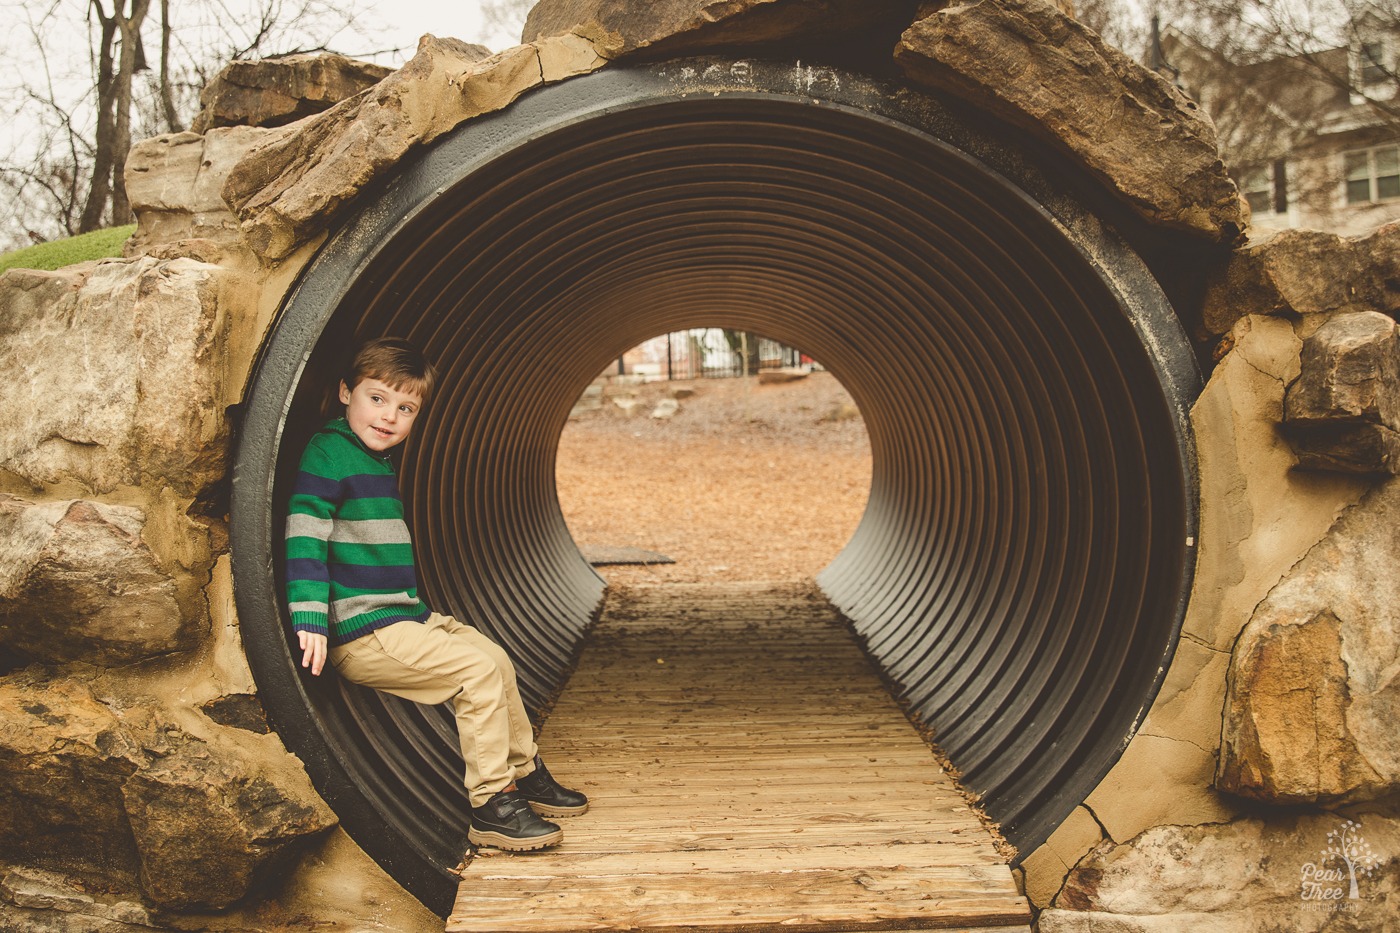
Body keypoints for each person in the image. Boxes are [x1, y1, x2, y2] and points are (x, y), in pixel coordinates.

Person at [284, 336, 586, 852]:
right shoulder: (330, 450)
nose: (389, 417)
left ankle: (524, 769)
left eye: (405, 408)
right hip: (366, 630)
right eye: (376, 398)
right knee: (477, 672)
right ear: (344, 392)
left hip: (404, 617)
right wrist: (309, 613)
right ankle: (492, 805)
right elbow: (304, 530)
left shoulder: (373, 459)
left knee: (494, 656)